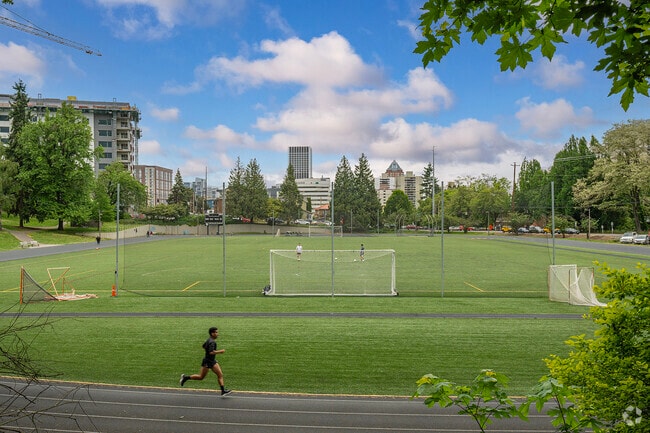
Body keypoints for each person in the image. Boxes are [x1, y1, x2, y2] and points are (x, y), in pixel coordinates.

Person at [180, 327, 231, 396]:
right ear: (212, 333)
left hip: (212, 361)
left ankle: (223, 391)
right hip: (207, 361)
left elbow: (203, 346)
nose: (217, 334)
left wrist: (210, 355)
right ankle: (185, 378)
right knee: (201, 377)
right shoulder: (212, 342)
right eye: (216, 332)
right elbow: (211, 352)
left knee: (220, 375)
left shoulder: (209, 340)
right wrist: (220, 351)